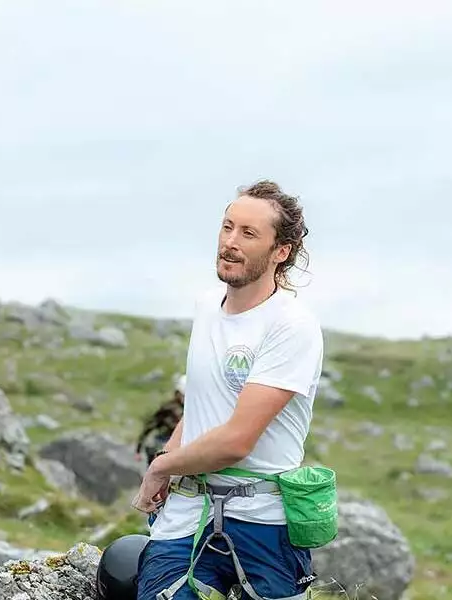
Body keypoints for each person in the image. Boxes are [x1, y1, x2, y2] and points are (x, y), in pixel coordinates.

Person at [131, 180, 324, 600]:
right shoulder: (206, 308)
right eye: (227, 227)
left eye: (248, 233)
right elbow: (203, 404)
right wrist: (169, 457)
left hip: (263, 521)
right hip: (187, 514)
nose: (230, 242)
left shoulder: (291, 325)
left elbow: (236, 440)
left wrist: (160, 468)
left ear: (281, 252)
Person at [137, 375, 187, 467]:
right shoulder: (168, 408)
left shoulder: (189, 410)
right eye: (183, 395)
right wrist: (138, 449)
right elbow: (150, 425)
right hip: (162, 444)